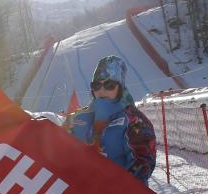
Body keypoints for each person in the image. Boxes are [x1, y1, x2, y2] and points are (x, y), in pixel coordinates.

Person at [64, 55, 157, 184]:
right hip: (80, 192)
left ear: (120, 87)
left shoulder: (134, 120)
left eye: (109, 85)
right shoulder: (79, 117)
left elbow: (144, 161)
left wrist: (115, 186)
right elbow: (61, 148)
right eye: (96, 85)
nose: (102, 90)